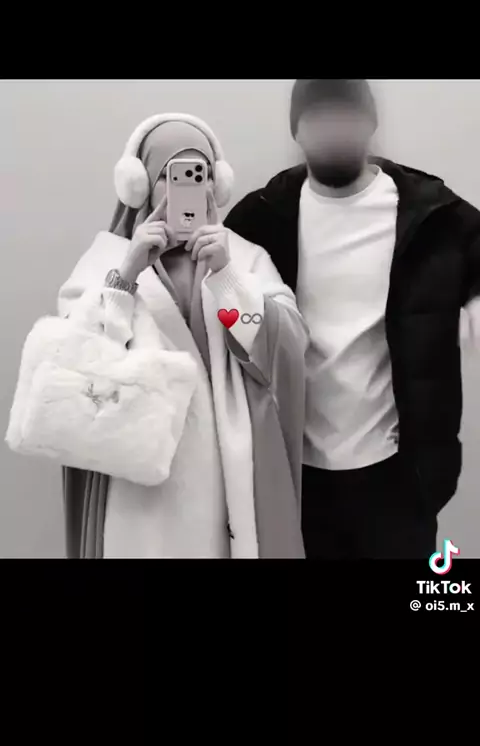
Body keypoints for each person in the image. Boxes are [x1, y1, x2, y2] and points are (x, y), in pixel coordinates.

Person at [7, 114, 308, 559]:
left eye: (199, 173)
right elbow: (71, 367)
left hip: (223, 474)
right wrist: (126, 274)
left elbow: (286, 349)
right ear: (142, 184)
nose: (184, 188)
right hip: (136, 485)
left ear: (215, 184)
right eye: (170, 174)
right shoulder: (108, 258)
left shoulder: (243, 257)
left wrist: (227, 277)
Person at [224, 80, 480, 559]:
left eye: (346, 116)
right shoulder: (259, 219)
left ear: (371, 123)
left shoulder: (435, 216)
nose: (334, 131)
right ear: (297, 131)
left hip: (399, 478)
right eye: (319, 119)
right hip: (293, 478)